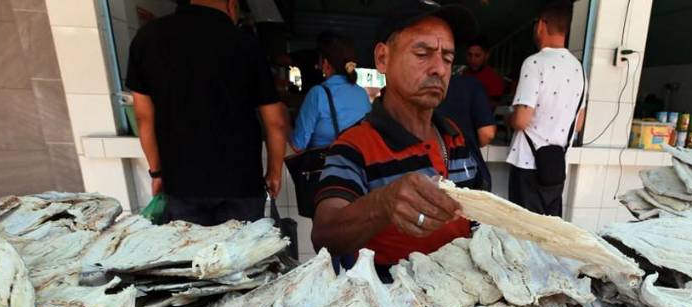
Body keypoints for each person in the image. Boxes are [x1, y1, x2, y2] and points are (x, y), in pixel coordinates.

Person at [311, 1, 481, 279]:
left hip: (462, 305)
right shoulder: (354, 146)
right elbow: (324, 235)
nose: (439, 68)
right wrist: (384, 203)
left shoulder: (454, 136)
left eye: (448, 58)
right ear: (382, 59)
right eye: (422, 53)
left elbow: (474, 220)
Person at [126, 0, 287, 225]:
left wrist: (157, 172)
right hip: (241, 182)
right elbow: (276, 121)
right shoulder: (245, 43)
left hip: (182, 182)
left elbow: (144, 118)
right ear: (232, 4)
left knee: (193, 257)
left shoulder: (147, 38)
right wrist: (274, 172)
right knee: (244, 257)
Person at [506, 3, 585, 217]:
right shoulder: (578, 68)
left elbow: (521, 120)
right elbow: (578, 123)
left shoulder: (534, 62)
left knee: (523, 232)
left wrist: (509, 119)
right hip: (555, 168)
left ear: (541, 25)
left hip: (528, 165)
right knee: (547, 233)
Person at [291, 32, 372, 151]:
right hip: (357, 165)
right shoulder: (362, 94)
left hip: (327, 167)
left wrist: (283, 127)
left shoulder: (318, 94)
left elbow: (298, 145)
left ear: (325, 63)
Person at [437, 73, 496, 190]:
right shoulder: (470, 85)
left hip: (420, 173)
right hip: (465, 175)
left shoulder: (404, 86)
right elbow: (487, 133)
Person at [463, 35, 505, 106]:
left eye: (477, 55)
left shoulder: (494, 79)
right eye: (469, 55)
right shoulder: (464, 73)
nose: (472, 60)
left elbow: (494, 105)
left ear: (487, 55)